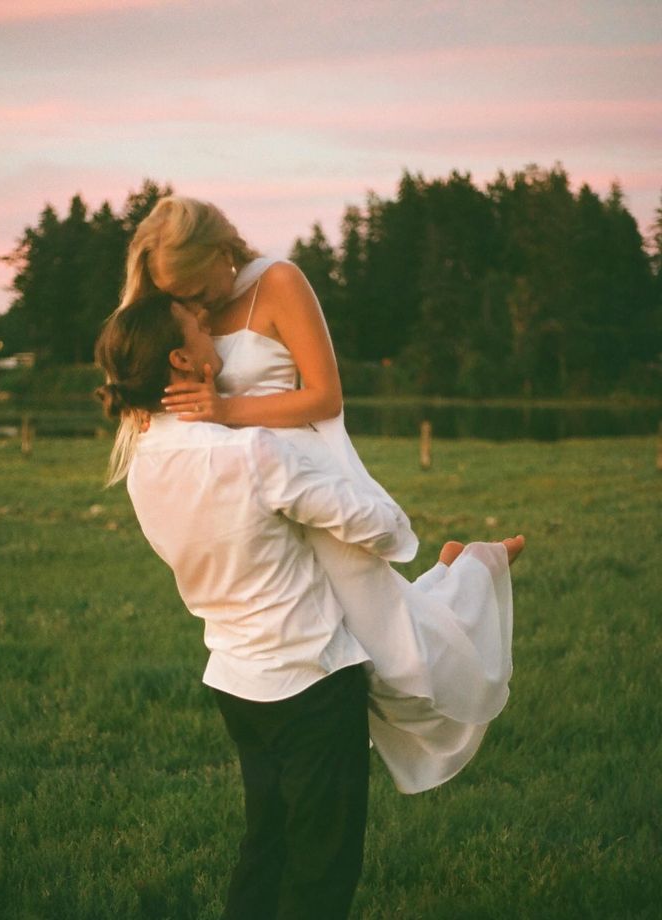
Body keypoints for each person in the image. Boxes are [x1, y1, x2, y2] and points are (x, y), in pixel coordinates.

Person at [111, 195, 524, 795]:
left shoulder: (277, 282)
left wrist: (229, 411)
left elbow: (325, 397)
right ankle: (446, 581)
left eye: (196, 289)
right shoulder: (175, 310)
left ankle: (472, 573)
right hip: (248, 505)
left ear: (222, 252)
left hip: (305, 481)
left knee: (392, 653)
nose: (193, 307)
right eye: (181, 298)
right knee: (334, 645)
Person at [95, 293, 422, 919]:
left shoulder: (141, 465)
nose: (209, 325)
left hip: (235, 679)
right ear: (184, 361)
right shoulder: (248, 454)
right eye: (197, 325)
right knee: (323, 868)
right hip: (311, 678)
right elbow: (381, 528)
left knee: (266, 845)